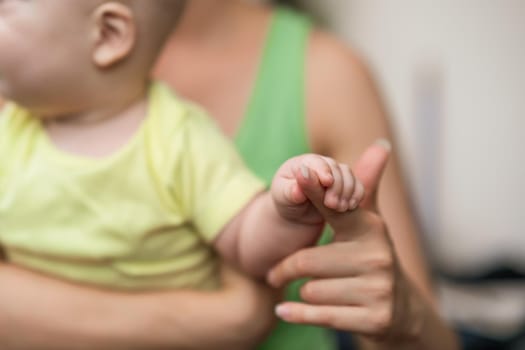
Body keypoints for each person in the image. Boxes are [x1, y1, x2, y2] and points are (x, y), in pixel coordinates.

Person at [0, 1, 459, 350]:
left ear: (110, 33)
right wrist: (224, 318)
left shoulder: (180, 137)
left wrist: (286, 209)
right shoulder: (26, 92)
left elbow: (248, 235)